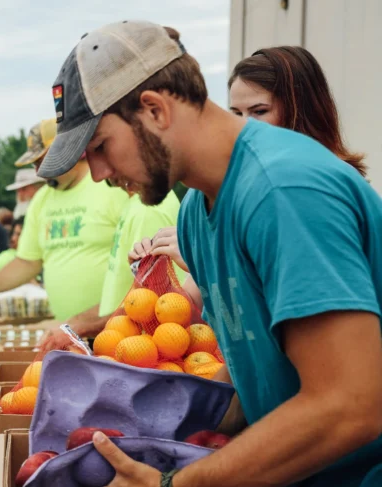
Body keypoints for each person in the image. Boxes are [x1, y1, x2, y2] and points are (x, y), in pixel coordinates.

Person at [37, 21, 382, 487]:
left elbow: (348, 407)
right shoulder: (200, 212)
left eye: (99, 147)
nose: (98, 173)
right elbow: (257, 375)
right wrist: (130, 431)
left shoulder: (283, 191)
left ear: (155, 110)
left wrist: (171, 486)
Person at [129, 46, 369, 310]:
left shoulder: (319, 193)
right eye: (236, 113)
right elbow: (196, 314)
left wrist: (204, 262)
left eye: (259, 111)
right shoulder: (226, 194)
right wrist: (157, 274)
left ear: (301, 111)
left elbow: (317, 309)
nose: (243, 125)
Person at [0, 147, 129, 321]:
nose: (39, 171)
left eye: (44, 161)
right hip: (67, 329)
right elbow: (28, 262)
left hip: (114, 327)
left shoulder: (111, 187)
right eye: (35, 163)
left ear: (71, 149)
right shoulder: (42, 198)